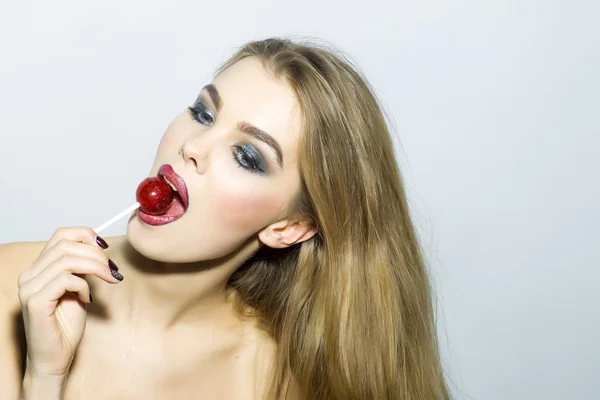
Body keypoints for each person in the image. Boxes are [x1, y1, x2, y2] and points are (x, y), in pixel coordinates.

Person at [0, 37, 451, 399]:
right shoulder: (12, 288)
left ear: (287, 227)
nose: (192, 146)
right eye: (203, 113)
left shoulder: (275, 378)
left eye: (247, 156)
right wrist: (43, 378)